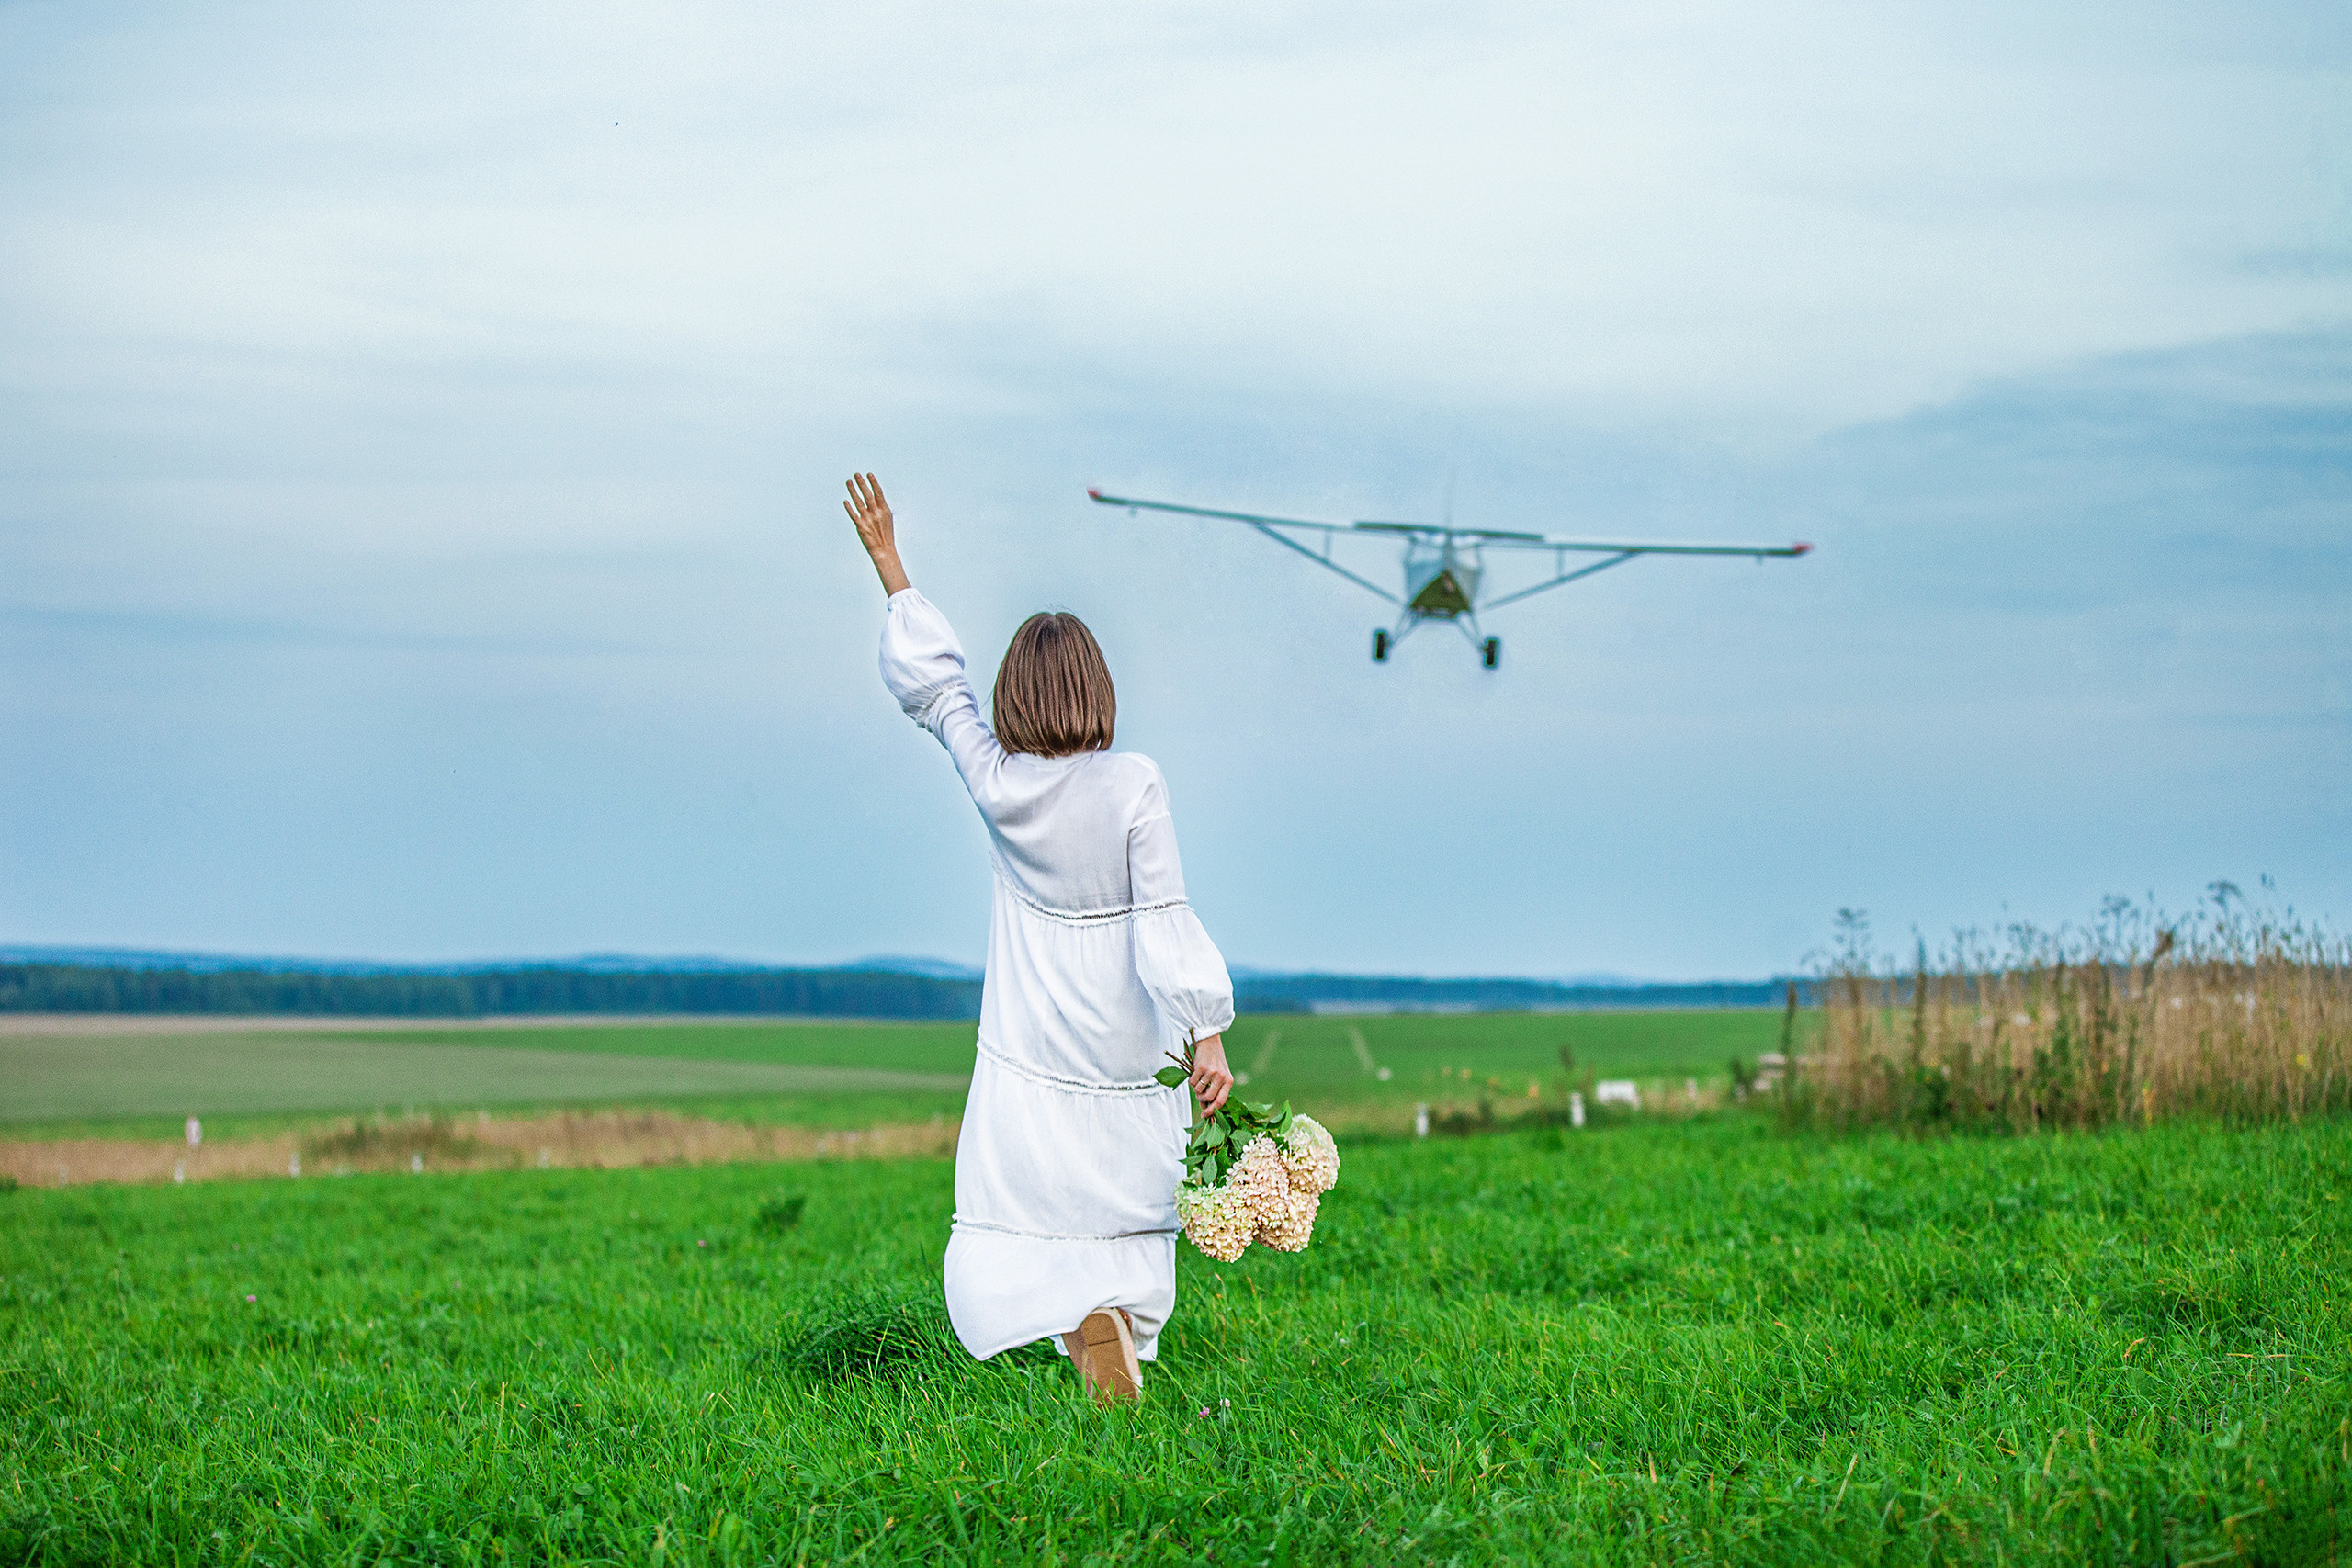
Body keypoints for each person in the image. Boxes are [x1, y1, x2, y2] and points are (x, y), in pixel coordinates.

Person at [843, 472, 1236, 1405]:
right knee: (1124, 1196)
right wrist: (1206, 1030)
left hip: (1035, 1029)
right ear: (1098, 689)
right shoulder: (1134, 782)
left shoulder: (999, 782)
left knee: (1038, 1197)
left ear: (1013, 695)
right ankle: (1114, 1324)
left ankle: (1083, 1326)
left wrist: (891, 565)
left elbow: (938, 693)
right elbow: (1164, 914)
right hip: (1127, 1028)